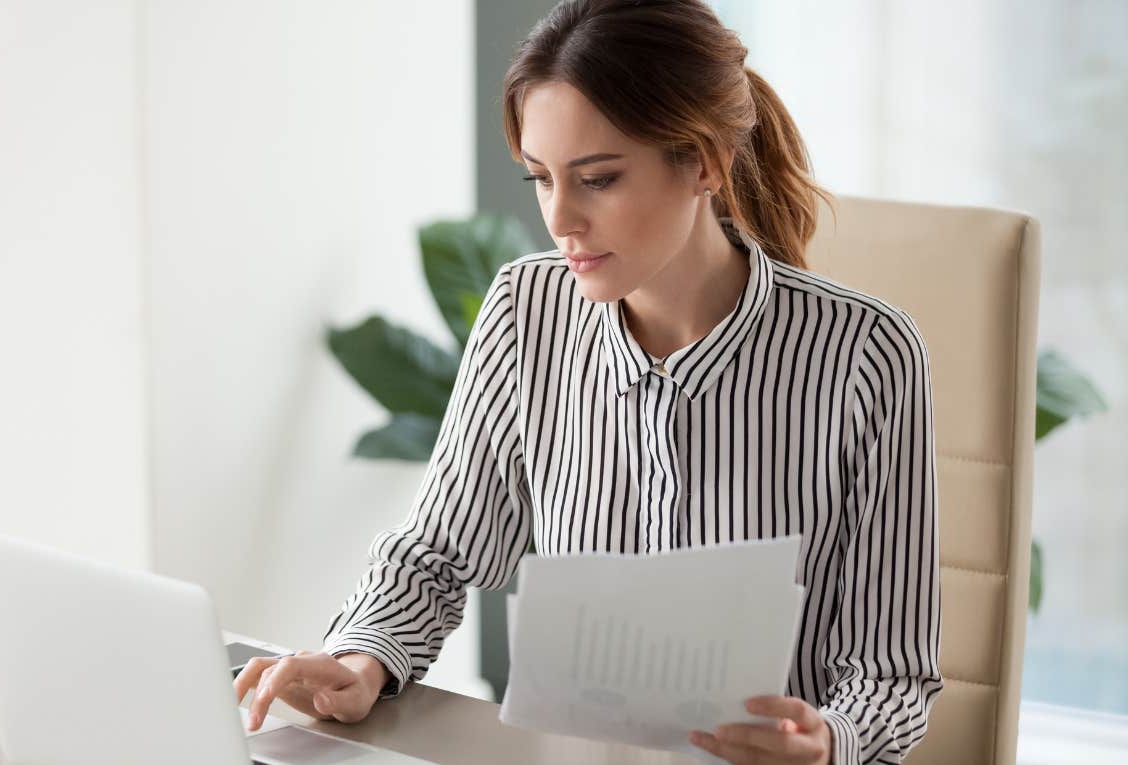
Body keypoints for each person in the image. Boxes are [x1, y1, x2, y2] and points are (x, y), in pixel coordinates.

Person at [234, 1, 943, 762]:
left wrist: (828, 742)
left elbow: (890, 673)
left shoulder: (868, 353)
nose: (560, 218)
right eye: (541, 178)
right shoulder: (523, 311)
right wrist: (361, 659)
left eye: (598, 179)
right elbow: (436, 552)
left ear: (704, 161)